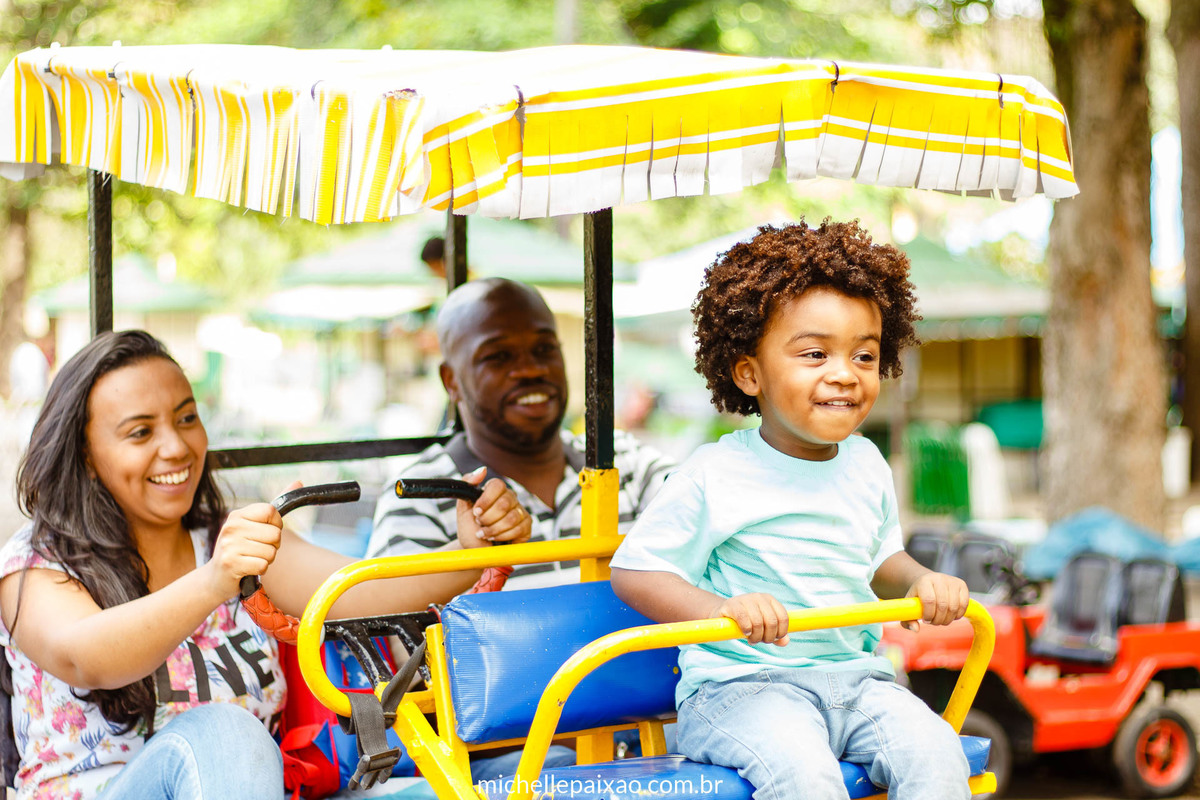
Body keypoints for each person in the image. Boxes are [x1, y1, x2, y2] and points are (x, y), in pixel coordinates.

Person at [0, 329, 531, 800]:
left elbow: (358, 592)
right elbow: (87, 657)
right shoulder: (36, 564)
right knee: (224, 732)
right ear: (87, 457)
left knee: (510, 777)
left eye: (187, 418)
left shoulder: (230, 540)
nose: (176, 447)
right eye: (141, 433)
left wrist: (472, 551)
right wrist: (213, 581)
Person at [610, 220, 972, 800]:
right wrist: (724, 608)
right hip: (742, 688)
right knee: (805, 778)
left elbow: (882, 560)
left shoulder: (866, 463)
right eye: (814, 353)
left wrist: (924, 581)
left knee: (938, 755)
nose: (843, 373)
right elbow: (634, 572)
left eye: (864, 354)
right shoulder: (715, 471)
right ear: (749, 372)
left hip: (857, 681)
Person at [367, 278, 674, 590]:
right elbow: (399, 636)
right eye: (498, 356)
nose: (531, 370)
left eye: (544, 349)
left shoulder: (626, 463)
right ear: (452, 381)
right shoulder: (421, 496)